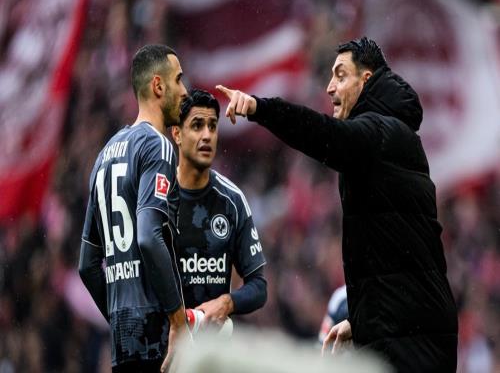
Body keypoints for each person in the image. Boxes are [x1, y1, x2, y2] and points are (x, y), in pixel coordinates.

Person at [216, 37, 458, 372]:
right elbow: (396, 258)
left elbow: (321, 134)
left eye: (340, 76)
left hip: (411, 338)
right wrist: (361, 322)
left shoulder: (381, 135)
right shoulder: (389, 140)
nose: (330, 87)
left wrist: (260, 108)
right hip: (408, 327)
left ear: (366, 80)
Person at [79, 44, 189, 373]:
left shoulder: (104, 156)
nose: (185, 91)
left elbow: (87, 265)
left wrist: (121, 319)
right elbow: (148, 237)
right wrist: (177, 319)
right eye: (178, 80)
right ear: (158, 86)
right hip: (160, 339)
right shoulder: (157, 147)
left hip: (124, 344)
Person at [171, 89, 267, 330]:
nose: (207, 135)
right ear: (177, 134)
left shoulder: (232, 201)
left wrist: (227, 302)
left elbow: (258, 286)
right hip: (161, 345)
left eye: (212, 126)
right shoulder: (157, 198)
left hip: (210, 347)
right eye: (197, 125)